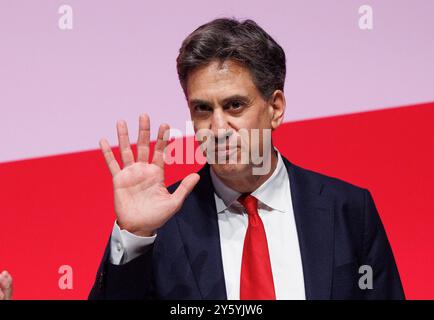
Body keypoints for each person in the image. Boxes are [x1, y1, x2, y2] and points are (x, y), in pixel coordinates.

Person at [89, 18, 404, 300]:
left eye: (235, 105)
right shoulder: (162, 223)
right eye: (202, 109)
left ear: (275, 108)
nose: (218, 128)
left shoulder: (348, 209)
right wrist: (134, 238)